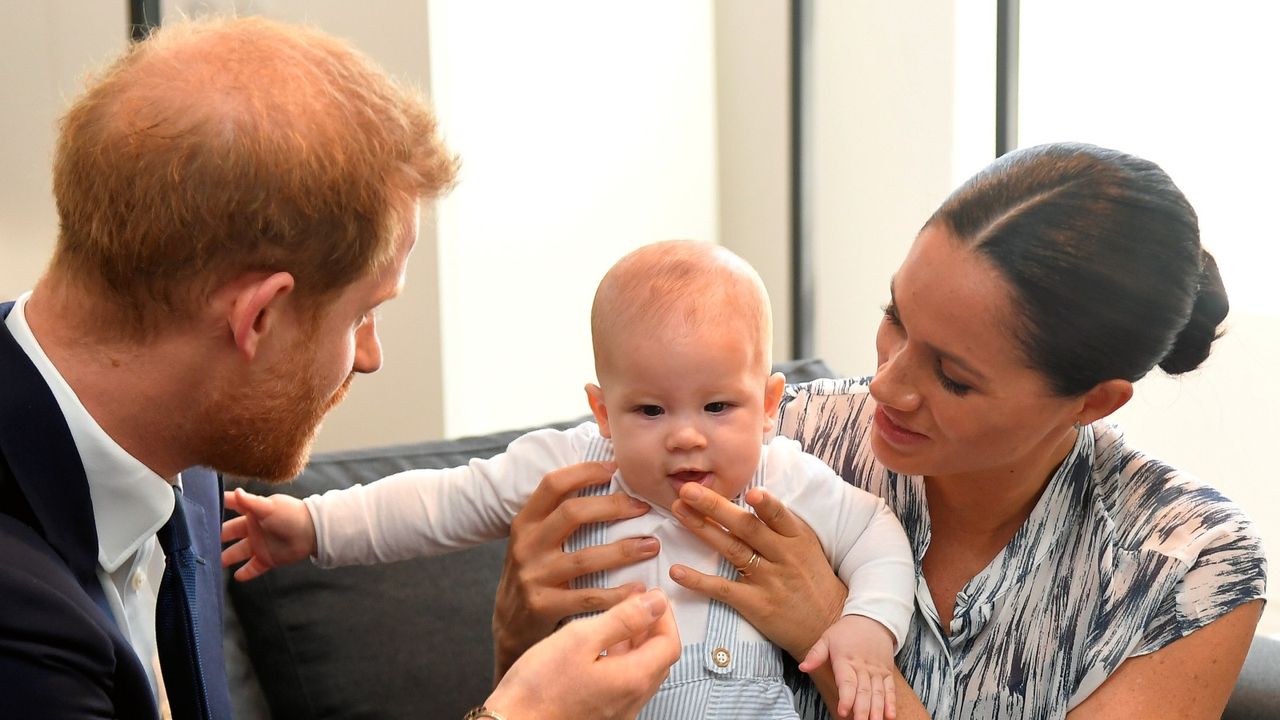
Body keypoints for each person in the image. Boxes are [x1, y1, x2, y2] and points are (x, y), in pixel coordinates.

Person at [0, 16, 678, 720]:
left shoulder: (187, 457)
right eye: (361, 315)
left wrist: (514, 648)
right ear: (257, 318)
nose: (371, 356)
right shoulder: (20, 619)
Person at [491, 143, 1269, 718]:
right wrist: (521, 624)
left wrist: (830, 632)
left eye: (953, 376)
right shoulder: (775, 436)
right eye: (894, 316)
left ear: (1093, 402)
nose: (887, 385)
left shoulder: (1189, 567)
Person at [221, 239, 917, 720]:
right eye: (649, 409)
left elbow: (877, 536)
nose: (685, 434)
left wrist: (863, 627)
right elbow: (441, 501)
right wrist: (314, 527)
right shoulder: (572, 466)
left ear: (768, 406)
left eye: (718, 406)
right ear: (601, 411)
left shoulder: (783, 477)